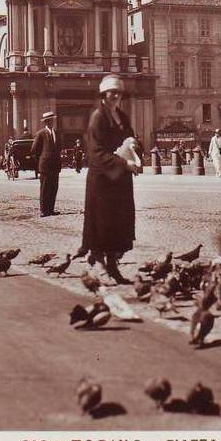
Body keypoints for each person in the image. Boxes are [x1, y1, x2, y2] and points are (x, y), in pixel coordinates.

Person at [82, 74, 140, 285]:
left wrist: (134, 145)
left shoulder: (122, 117)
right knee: (102, 223)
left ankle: (113, 265)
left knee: (118, 223)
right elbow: (96, 152)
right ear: (104, 95)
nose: (115, 96)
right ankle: (98, 262)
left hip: (120, 180)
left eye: (118, 92)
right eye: (111, 92)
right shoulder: (98, 117)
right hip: (103, 179)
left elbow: (132, 138)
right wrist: (124, 164)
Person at [31, 111, 62, 217]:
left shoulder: (57, 133)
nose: (51, 122)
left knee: (53, 188)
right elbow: (34, 150)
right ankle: (44, 210)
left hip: (55, 166)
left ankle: (51, 209)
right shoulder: (41, 134)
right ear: (46, 122)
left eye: (52, 120)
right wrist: (41, 161)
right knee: (45, 189)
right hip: (45, 166)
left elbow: (59, 148)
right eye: (49, 120)